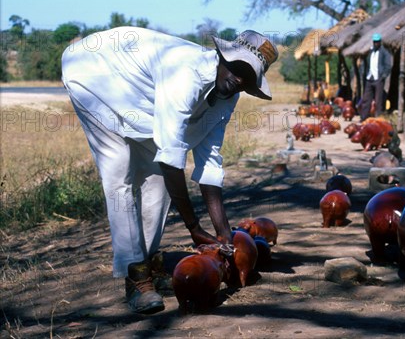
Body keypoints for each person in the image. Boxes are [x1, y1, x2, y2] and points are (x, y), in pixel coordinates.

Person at [61, 27, 278, 315]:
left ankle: (148, 261)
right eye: (238, 69)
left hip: (139, 93)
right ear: (223, 57)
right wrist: (194, 229)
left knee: (159, 182)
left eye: (248, 77)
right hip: (93, 73)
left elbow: (210, 161)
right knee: (119, 173)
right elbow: (171, 157)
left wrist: (224, 233)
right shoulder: (183, 73)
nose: (239, 79)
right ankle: (135, 276)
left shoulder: (229, 93)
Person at [360, 33, 392, 121]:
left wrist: (383, 76)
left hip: (378, 78)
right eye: (374, 42)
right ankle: (364, 117)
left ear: (380, 42)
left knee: (378, 100)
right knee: (366, 99)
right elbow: (365, 63)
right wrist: (364, 73)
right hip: (370, 78)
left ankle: (378, 118)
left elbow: (388, 65)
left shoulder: (384, 52)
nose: (376, 43)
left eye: (377, 42)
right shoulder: (370, 52)